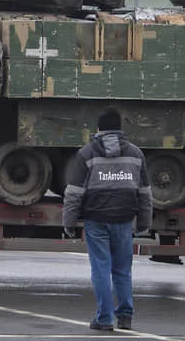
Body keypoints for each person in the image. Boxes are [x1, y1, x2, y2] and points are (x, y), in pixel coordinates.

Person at [62, 107, 152, 331]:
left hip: (96, 220)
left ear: (99, 128)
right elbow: (145, 194)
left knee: (101, 269)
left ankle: (104, 319)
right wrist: (144, 222)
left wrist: (69, 223)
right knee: (122, 271)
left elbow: (74, 193)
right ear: (120, 129)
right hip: (124, 220)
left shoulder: (86, 154)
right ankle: (125, 316)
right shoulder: (136, 154)